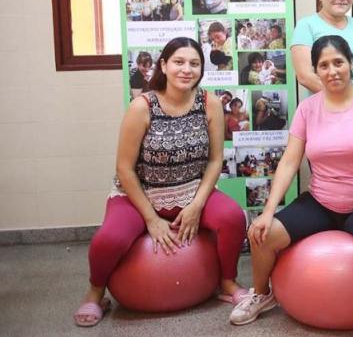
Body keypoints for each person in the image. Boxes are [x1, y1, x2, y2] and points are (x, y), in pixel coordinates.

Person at [229, 36, 353, 337]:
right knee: (262, 233)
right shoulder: (307, 109)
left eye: (338, 62)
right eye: (324, 65)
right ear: (316, 71)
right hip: (322, 201)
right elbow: (289, 161)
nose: (332, 71)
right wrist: (268, 212)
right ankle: (261, 294)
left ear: (351, 64)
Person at [73, 37, 247, 327]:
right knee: (109, 239)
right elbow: (124, 169)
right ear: (164, 66)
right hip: (140, 194)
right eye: (179, 62)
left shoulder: (210, 103)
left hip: (191, 190)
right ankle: (95, 293)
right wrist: (151, 219)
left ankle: (227, 282)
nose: (186, 70)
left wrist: (196, 205)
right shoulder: (142, 106)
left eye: (194, 64)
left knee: (233, 218)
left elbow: (215, 161)